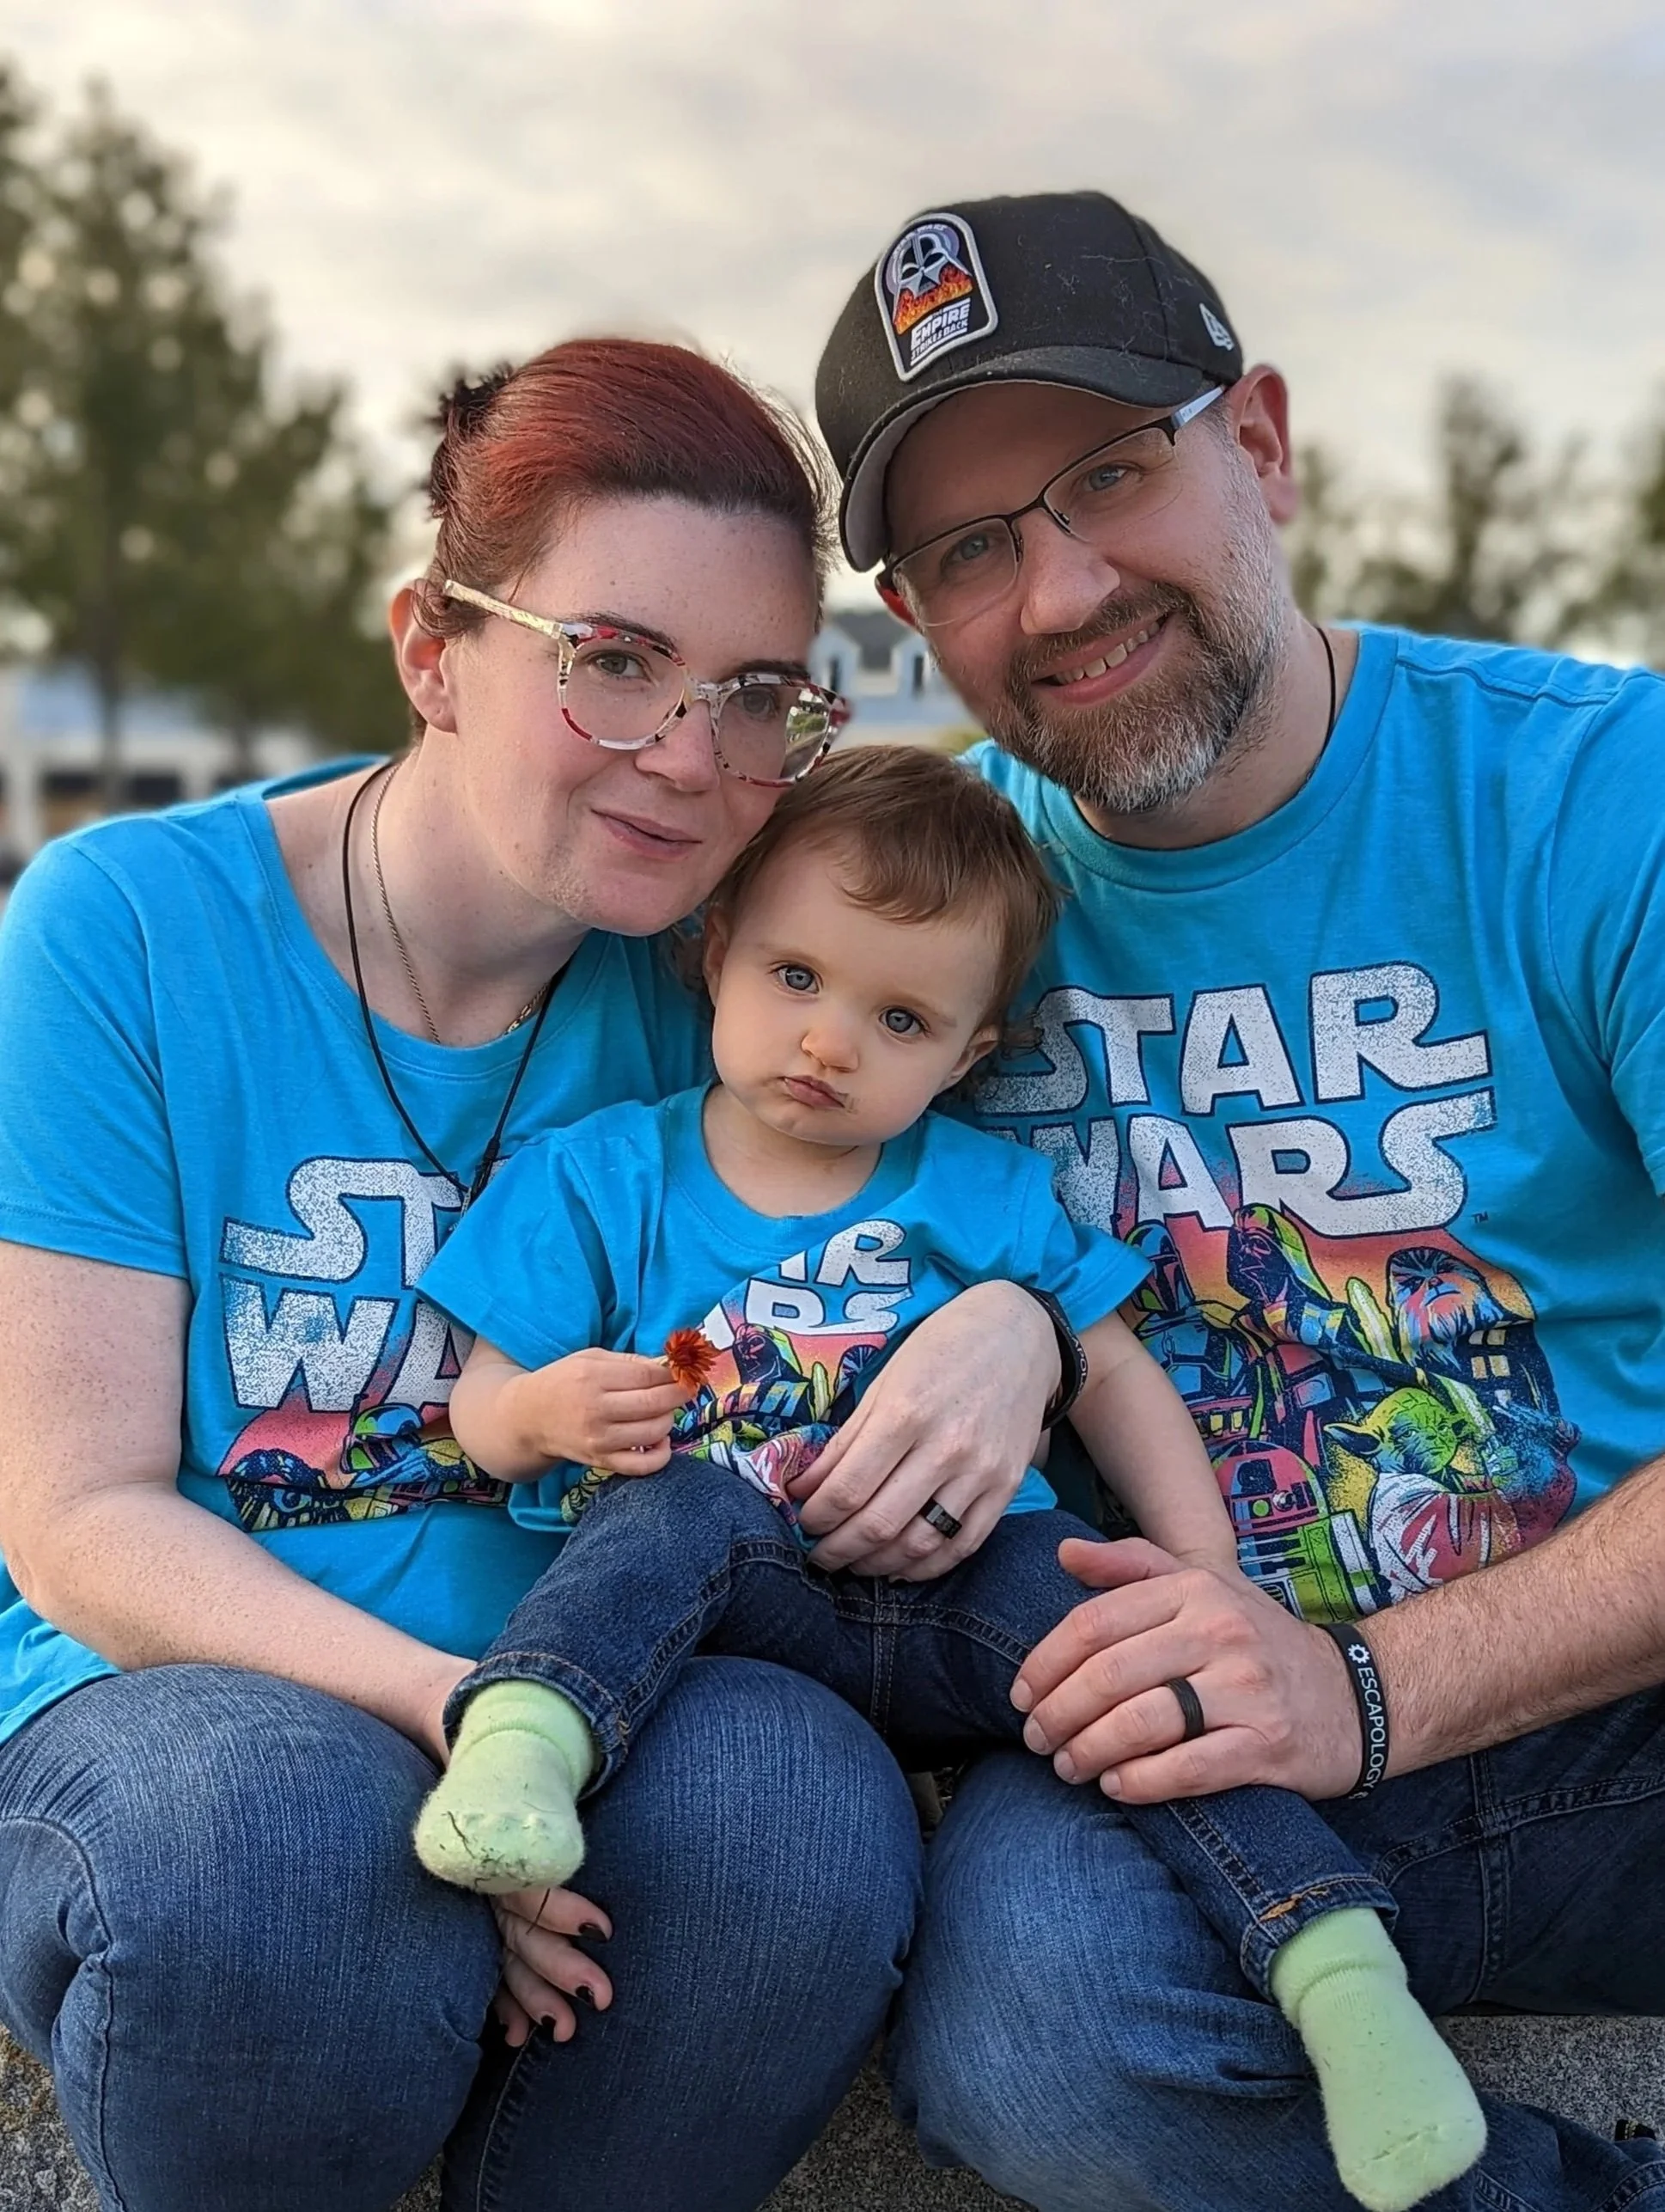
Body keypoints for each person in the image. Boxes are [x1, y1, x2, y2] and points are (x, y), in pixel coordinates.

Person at [0, 339, 1067, 2212]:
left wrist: (1015, 1328)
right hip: (174, 1697)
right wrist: (456, 1729)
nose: (693, 759)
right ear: (432, 645)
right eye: (613, 663)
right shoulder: (127, 931)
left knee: (799, 1824)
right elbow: (75, 1512)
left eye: (758, 696)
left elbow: (937, 1206)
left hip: (595, 1685)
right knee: (282, 1851)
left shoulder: (724, 998)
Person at [811, 189, 1665, 2212]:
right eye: (969, 548)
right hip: (1178, 1757)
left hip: (1608, 1694)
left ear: (1260, 443)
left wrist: (1367, 1693)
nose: (1064, 588)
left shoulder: (1592, 797)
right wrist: (1003, 1318)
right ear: (917, 617)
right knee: (1034, 2027)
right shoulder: (914, 914)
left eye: (1110, 473)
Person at [410, 741, 1482, 2211]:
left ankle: (1338, 1971)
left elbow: (1112, 1375)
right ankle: (525, 1746)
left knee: (1125, 1648)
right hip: (739, 1620)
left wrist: (1208, 1585)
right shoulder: (606, 1173)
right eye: (795, 975)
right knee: (677, 1507)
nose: (829, 1040)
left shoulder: (977, 1190)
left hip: (968, 1594)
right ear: (713, 949)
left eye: (898, 1014)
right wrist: (539, 1408)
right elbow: (475, 1410)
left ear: (970, 1051)